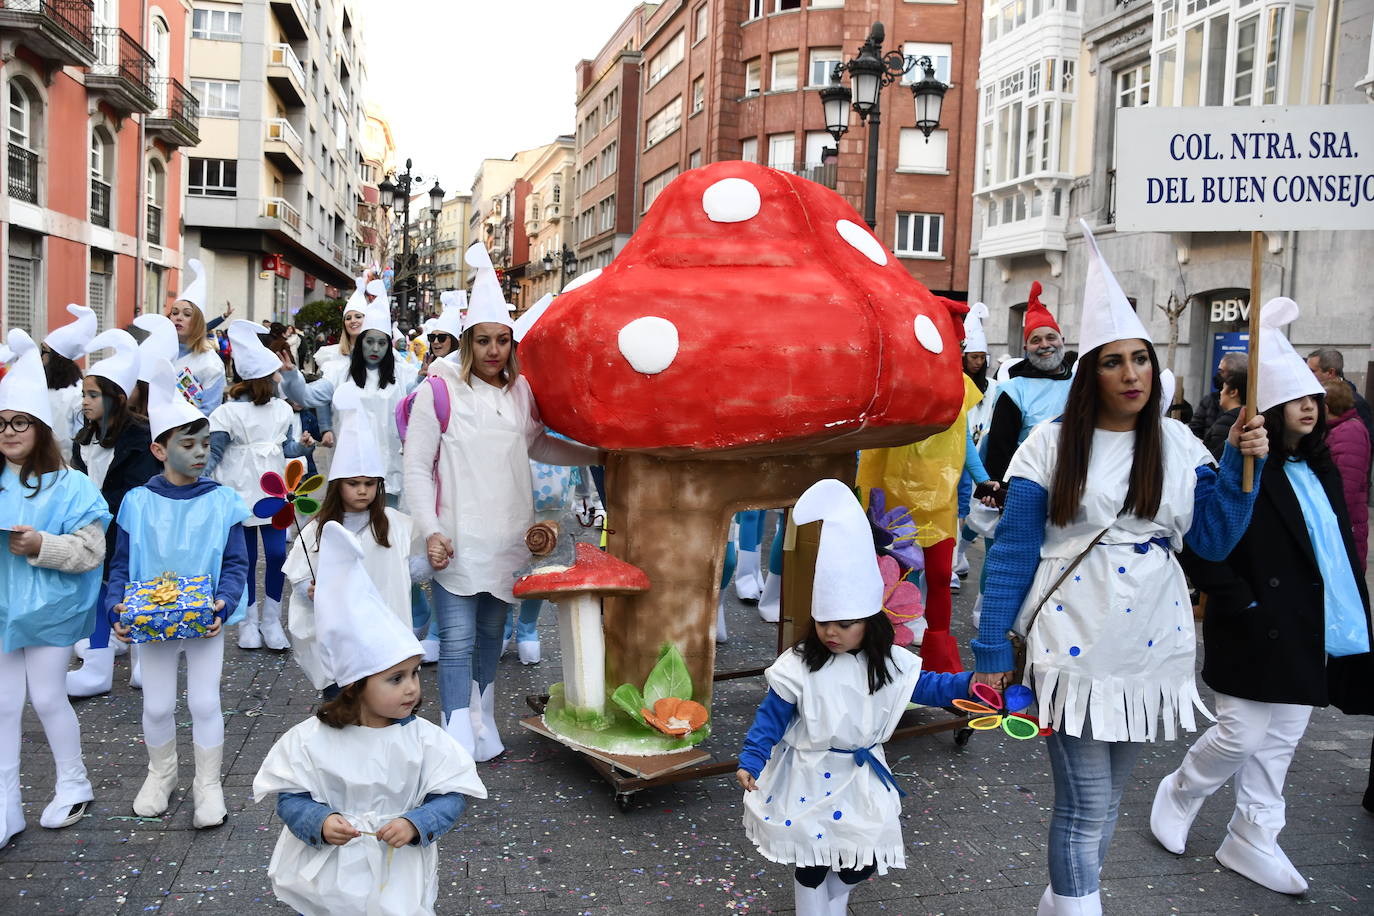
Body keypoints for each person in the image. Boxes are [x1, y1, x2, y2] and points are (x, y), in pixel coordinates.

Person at [972, 223, 1269, 916]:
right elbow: (1014, 550)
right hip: (1071, 632)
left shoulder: (1180, 439)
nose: (1132, 373)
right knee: (1085, 803)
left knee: (1109, 800)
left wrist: (1244, 469)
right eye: (1114, 361)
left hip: (1151, 641)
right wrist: (991, 651)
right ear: (1090, 373)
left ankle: (1064, 902)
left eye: (1141, 359)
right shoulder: (1048, 446)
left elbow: (1216, 541)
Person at [1151, 297, 1373, 896]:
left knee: (1282, 739)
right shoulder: (1242, 461)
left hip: (1311, 622)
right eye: (1295, 399)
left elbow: (1337, 547)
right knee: (1241, 733)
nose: (1309, 408)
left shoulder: (1321, 465)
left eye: (1314, 399)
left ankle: (1254, 834)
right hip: (1252, 622)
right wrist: (1241, 600)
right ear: (1269, 409)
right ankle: (1181, 789)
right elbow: (1203, 544)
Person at [403, 242, 602, 760]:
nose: (494, 350)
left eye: (503, 341)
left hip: (508, 535)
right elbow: (416, 469)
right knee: (457, 638)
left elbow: (537, 442)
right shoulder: (438, 390)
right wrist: (430, 530)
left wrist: (601, 453)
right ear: (468, 341)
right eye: (484, 340)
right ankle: (453, 734)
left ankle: (482, 715)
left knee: (492, 633)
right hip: (457, 537)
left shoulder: (519, 392)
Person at [736, 479, 973, 916]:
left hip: (860, 776)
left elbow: (932, 686)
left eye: (845, 623)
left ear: (868, 621)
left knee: (860, 859)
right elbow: (772, 716)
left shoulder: (889, 663)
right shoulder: (800, 664)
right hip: (809, 773)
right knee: (811, 860)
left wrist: (970, 685)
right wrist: (753, 758)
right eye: (825, 622)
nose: (832, 632)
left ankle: (833, 904)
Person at [253, 522, 486, 916]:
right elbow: (291, 797)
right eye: (396, 679)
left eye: (414, 674)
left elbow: (450, 795)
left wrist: (417, 823)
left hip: (397, 865)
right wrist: (319, 820)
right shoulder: (312, 740)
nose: (412, 688)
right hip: (330, 867)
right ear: (355, 686)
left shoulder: (424, 740)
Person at [107, 359, 250, 828]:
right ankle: (161, 774)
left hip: (204, 618)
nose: (199, 453)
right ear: (159, 449)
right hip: (154, 622)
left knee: (205, 702)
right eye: (187, 444)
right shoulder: (137, 502)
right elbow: (122, 565)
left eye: (205, 444)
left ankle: (208, 784)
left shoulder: (222, 501)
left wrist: (224, 602)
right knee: (156, 702)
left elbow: (235, 563)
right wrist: (116, 606)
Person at [0, 330, 111, 848]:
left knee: (45, 696)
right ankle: (6, 806)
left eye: (19, 422)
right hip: (2, 610)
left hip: (50, 609)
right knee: (2, 704)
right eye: (1, 423)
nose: (8, 432)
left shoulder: (72, 485)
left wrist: (42, 544)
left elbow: (91, 551)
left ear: (40, 427)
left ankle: (73, 782)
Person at [284, 386, 429, 690]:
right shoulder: (317, 530)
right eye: (353, 483)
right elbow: (300, 574)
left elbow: (413, 570)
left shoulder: (396, 525)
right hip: (342, 641)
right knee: (343, 703)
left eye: (369, 483)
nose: (363, 491)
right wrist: (306, 590)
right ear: (339, 486)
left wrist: (432, 560)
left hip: (386, 638)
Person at [857, 371, 988, 672]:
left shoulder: (958, 383)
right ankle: (887, 663)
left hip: (940, 498)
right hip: (894, 496)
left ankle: (940, 663)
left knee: (941, 576)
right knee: (893, 578)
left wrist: (983, 480)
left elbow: (962, 438)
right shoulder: (893, 375)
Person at [66, 331, 161, 697]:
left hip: (129, 527)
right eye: (84, 394)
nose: (85, 401)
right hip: (94, 527)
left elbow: (140, 486)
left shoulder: (140, 436)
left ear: (116, 398)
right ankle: (96, 664)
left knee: (135, 587)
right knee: (96, 592)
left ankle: (144, 660)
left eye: (93, 395)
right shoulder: (85, 436)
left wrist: (101, 505)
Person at [205, 321, 308, 651]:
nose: (280, 376)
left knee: (278, 554)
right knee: (246, 558)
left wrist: (304, 446)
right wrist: (200, 484)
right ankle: (248, 621)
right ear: (263, 377)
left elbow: (286, 448)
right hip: (239, 491)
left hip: (275, 492)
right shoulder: (226, 413)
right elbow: (215, 453)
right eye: (275, 372)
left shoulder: (281, 410)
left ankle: (271, 620)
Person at [281, 283, 418, 498]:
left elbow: (418, 400)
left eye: (381, 343)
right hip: (351, 472)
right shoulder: (338, 371)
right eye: (369, 342)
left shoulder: (403, 374)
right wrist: (291, 376)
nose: (374, 349)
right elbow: (306, 396)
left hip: (389, 473)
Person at [981, 281, 1076, 486]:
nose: (1045, 345)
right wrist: (999, 489)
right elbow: (1000, 448)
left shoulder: (1081, 384)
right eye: (1036, 340)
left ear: (1062, 341)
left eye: (1051, 337)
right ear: (1026, 347)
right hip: (1027, 487)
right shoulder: (1013, 390)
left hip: (1076, 484)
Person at [168, 259, 227, 415]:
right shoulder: (158, 352)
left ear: (198, 322)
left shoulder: (211, 363)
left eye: (187, 314)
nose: (178, 318)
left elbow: (209, 411)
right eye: (174, 313)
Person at [1323, 377, 1369, 570]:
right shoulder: (1338, 429)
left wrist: (1330, 523)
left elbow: (1345, 490)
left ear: (1326, 407)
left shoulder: (1349, 432)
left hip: (1346, 526)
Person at [41, 304, 97, 458]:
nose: (40, 357)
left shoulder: (78, 394)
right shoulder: (40, 388)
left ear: (57, 358)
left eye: (44, 351)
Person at [311, 276, 384, 374]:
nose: (353, 321)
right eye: (348, 318)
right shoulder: (331, 354)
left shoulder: (379, 352)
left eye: (358, 317)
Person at [1306, 347, 1373, 439]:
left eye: (1312, 371)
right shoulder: (1310, 397)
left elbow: (1367, 441)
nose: (1306, 374)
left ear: (1330, 372)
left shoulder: (1357, 403)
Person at [1190, 351, 1248, 441]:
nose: (1218, 375)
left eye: (1221, 371)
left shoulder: (1250, 410)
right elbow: (1194, 431)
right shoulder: (1209, 400)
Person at [1203, 360, 1247, 460]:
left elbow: (1213, 459)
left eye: (1223, 389)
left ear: (1233, 392)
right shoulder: (1246, 416)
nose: (1221, 393)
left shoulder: (1226, 422)